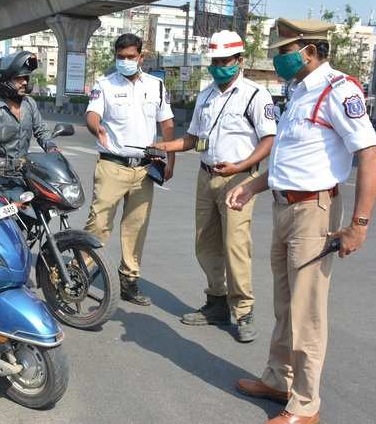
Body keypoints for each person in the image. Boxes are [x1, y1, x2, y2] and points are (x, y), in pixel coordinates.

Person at [227, 18, 376, 424]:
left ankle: (305, 403)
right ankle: (280, 379)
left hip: (313, 212)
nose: (278, 59)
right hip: (284, 207)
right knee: (285, 303)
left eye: (284, 52)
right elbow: (290, 159)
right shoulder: (299, 93)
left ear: (309, 51)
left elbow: (370, 155)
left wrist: (359, 224)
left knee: (307, 309)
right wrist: (253, 186)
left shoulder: (338, 91)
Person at [151, 30, 276, 342]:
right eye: (216, 61)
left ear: (239, 60)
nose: (220, 66)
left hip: (239, 179)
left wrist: (242, 166)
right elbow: (193, 139)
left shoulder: (255, 95)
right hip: (206, 177)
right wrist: (163, 146)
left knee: (235, 246)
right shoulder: (206, 96)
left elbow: (269, 140)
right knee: (205, 244)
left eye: (226, 61)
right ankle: (217, 302)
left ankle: (244, 311)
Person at [84, 33, 175, 306]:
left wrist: (170, 156)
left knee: (136, 226)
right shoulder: (105, 85)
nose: (125, 61)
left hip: (144, 169)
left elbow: (167, 122)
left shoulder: (157, 86)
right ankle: (83, 270)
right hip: (113, 165)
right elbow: (92, 113)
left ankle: (129, 279)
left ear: (141, 57)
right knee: (98, 223)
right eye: (120, 57)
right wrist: (94, 126)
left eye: (130, 57)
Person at [0, 51, 57, 157]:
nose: (25, 82)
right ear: (3, 81)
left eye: (26, 78)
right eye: (18, 78)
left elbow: (41, 130)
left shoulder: (29, 103)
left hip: (23, 166)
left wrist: (51, 146)